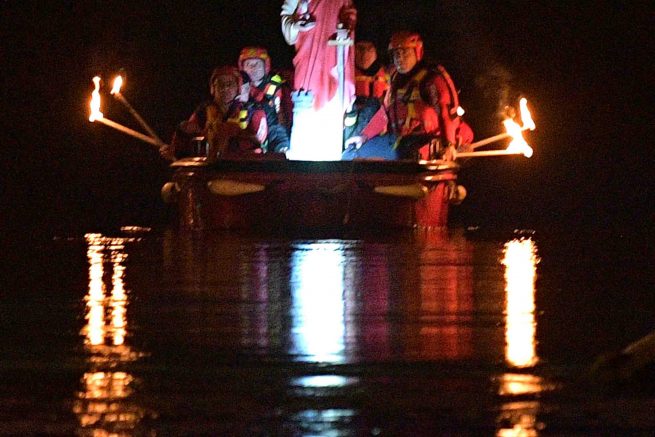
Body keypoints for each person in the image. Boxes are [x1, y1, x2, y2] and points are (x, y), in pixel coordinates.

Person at [347, 31, 473, 161]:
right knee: (351, 154)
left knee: (410, 155)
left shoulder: (431, 79)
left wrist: (449, 144)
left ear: (417, 52)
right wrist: (364, 136)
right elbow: (385, 113)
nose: (400, 58)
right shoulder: (394, 79)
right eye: (396, 54)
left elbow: (446, 113)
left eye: (405, 53)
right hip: (401, 141)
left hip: (427, 141)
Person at [281, 0, 358, 161]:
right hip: (308, 59)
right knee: (305, 102)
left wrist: (348, 24)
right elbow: (288, 32)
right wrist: (297, 25)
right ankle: (302, 159)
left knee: (332, 103)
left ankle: (329, 160)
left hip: (333, 56)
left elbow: (349, 14)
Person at [170, 66, 268, 161]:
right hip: (209, 165)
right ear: (213, 88)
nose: (225, 88)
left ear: (237, 88)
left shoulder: (253, 111)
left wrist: (232, 132)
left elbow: (259, 140)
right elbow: (187, 139)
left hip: (242, 166)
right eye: (220, 84)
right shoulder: (203, 111)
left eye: (230, 84)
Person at [238, 46, 291, 153]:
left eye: (257, 64)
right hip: (247, 133)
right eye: (248, 64)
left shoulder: (276, 84)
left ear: (265, 66)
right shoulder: (239, 87)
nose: (253, 68)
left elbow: (282, 115)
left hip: (273, 128)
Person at [342, 40, 390, 152]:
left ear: (376, 51)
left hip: (377, 134)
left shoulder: (388, 75)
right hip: (350, 129)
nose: (364, 54)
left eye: (369, 49)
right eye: (360, 49)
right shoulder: (345, 72)